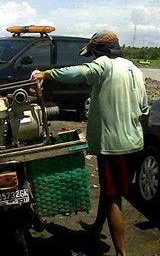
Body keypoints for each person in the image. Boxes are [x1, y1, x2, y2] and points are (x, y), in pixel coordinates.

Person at [31, 30, 149, 256]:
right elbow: (144, 109)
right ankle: (96, 228)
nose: (92, 58)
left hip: (113, 145)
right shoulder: (135, 69)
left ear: (99, 51)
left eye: (93, 53)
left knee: (114, 197)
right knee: (110, 189)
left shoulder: (104, 65)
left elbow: (79, 72)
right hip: (135, 142)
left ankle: (121, 252)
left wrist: (46, 74)